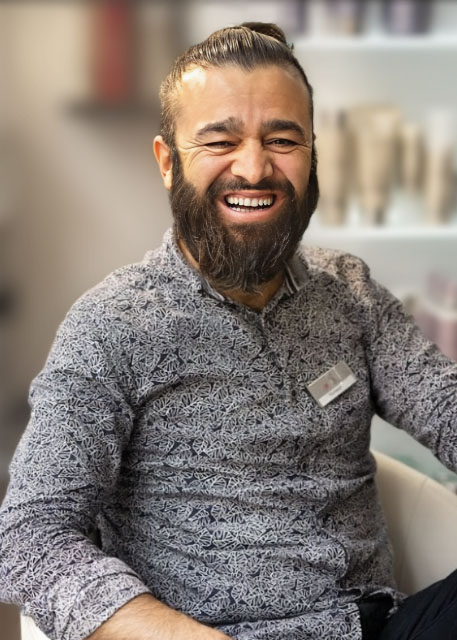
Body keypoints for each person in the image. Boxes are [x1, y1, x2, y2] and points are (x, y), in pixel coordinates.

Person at [0, 22, 456, 640]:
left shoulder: (349, 292)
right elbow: (31, 537)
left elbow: (445, 406)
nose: (254, 167)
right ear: (168, 162)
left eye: (282, 139)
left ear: (312, 154)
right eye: (221, 140)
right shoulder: (112, 326)